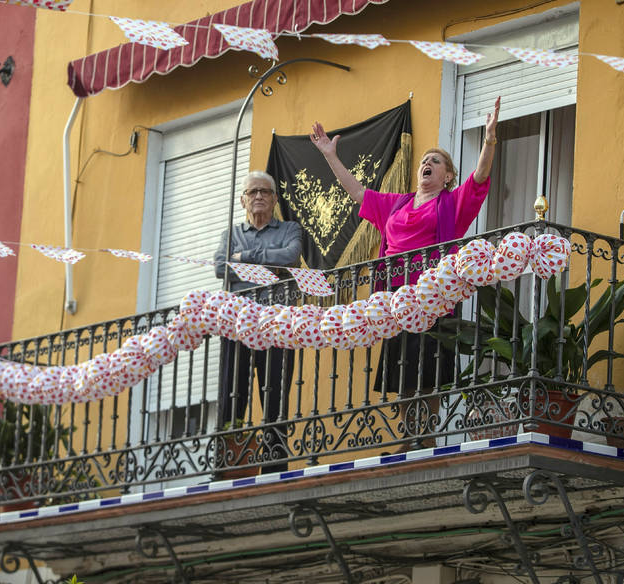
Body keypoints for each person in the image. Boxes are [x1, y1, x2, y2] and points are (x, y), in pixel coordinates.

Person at [309, 99, 500, 402]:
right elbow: (358, 192)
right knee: (402, 381)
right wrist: (330, 155)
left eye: (436, 161)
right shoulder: (396, 203)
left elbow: (478, 179)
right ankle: (408, 442)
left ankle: (424, 442)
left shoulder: (452, 203)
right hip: (395, 302)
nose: (428, 163)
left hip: (432, 300)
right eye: (425, 160)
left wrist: (488, 140)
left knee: (429, 379)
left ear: (448, 176)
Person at [213, 171, 304, 473]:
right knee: (232, 391)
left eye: (265, 191)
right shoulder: (231, 233)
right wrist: (262, 262)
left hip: (276, 321)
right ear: (242, 200)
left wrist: (244, 257)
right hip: (236, 322)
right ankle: (228, 459)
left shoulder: (290, 229)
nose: (259, 197)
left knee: (275, 391)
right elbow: (218, 267)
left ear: (275, 199)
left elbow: (290, 256)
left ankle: (274, 460)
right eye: (252, 192)